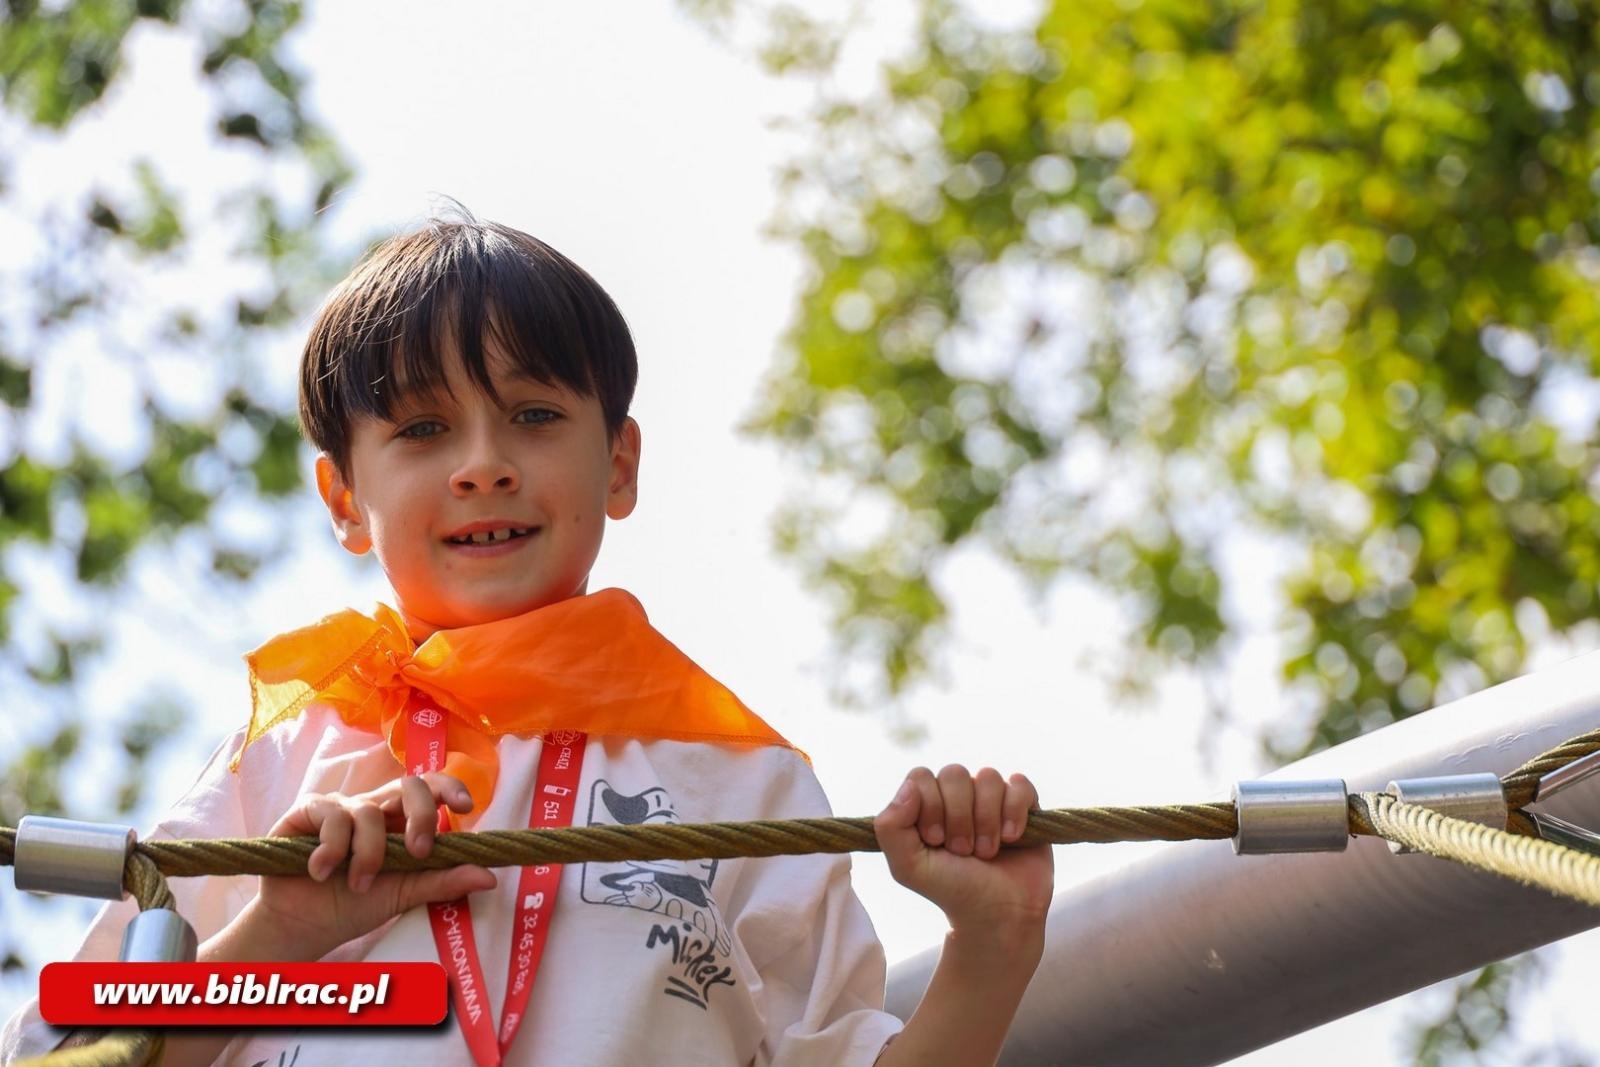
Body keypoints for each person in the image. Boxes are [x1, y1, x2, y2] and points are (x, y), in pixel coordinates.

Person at [2, 213, 1053, 1066]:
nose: (482, 464)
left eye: (535, 414)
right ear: (343, 496)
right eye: (420, 429)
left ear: (620, 463)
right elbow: (81, 1057)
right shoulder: (285, 761)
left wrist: (993, 944)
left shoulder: (741, 781)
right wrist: (282, 931)